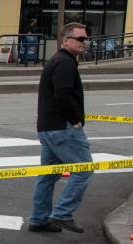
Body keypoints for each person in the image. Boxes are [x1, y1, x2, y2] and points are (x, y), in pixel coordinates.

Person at [28, 22, 92, 233]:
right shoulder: (65, 62)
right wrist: (75, 120)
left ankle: (39, 219)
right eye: (80, 39)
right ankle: (62, 213)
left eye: (86, 38)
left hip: (48, 128)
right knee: (84, 170)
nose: (85, 42)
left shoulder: (57, 60)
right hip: (62, 129)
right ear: (66, 40)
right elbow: (63, 94)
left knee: (48, 175)